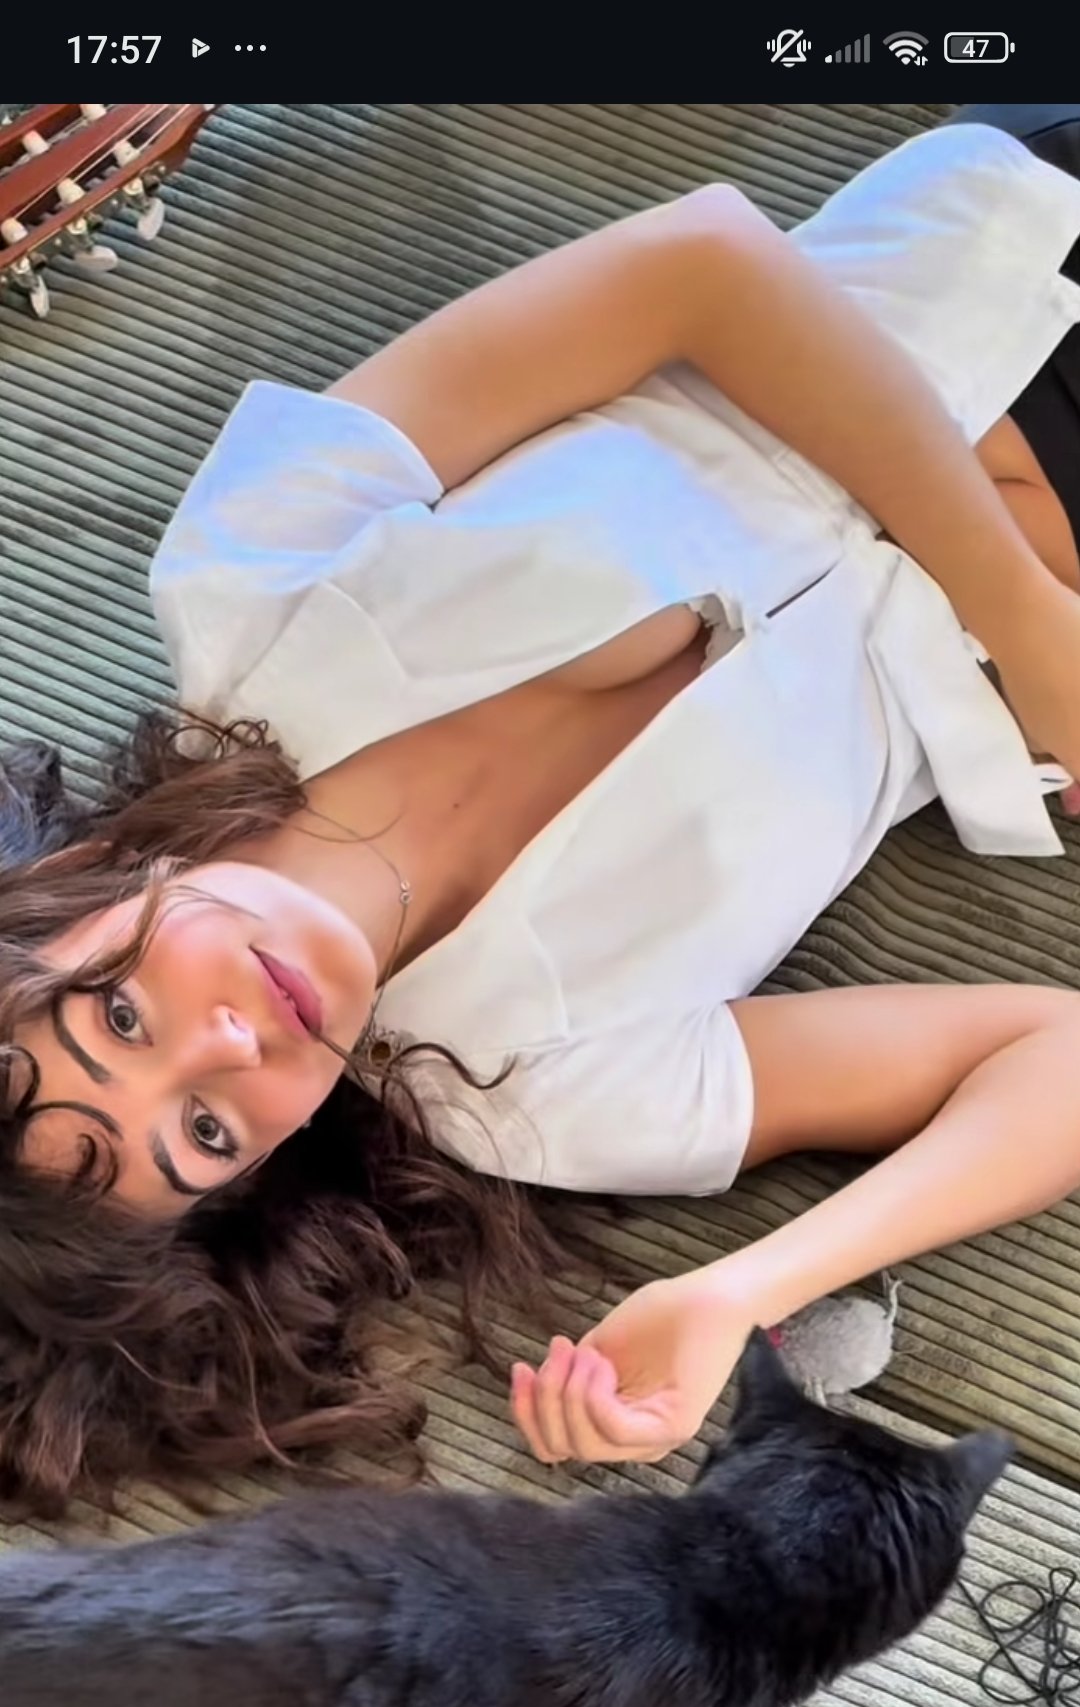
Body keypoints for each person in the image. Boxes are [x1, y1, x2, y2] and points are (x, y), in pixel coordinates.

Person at [4, 107, 1080, 1509]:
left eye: (118, 1018)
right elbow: (1055, 1057)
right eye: (206, 1133)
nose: (228, 1043)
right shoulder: (542, 1093)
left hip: (1005, 253)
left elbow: (702, 266)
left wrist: (1029, 627)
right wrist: (743, 1289)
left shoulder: (251, 575)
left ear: (75, 883)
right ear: (258, 1173)